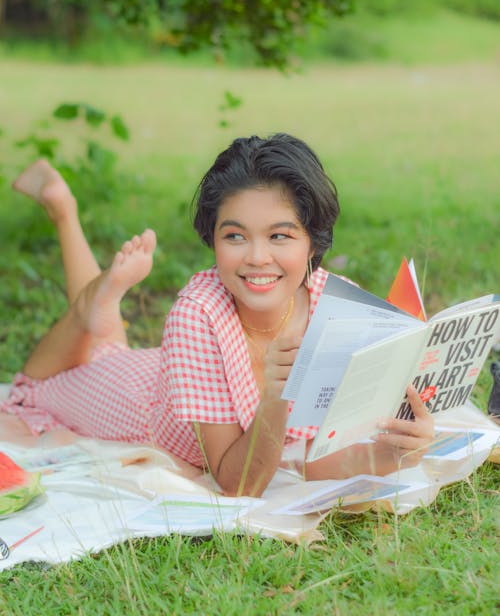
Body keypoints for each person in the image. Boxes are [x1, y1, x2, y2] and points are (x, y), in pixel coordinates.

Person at [1, 134, 434, 496]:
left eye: (280, 235)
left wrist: (397, 451)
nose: (257, 257)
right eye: (235, 236)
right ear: (213, 239)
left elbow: (316, 458)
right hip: (122, 397)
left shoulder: (339, 307)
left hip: (165, 371)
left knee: (105, 339)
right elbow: (237, 483)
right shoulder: (196, 314)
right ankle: (72, 236)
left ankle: (91, 279)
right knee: (40, 383)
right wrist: (276, 396)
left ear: (313, 243)